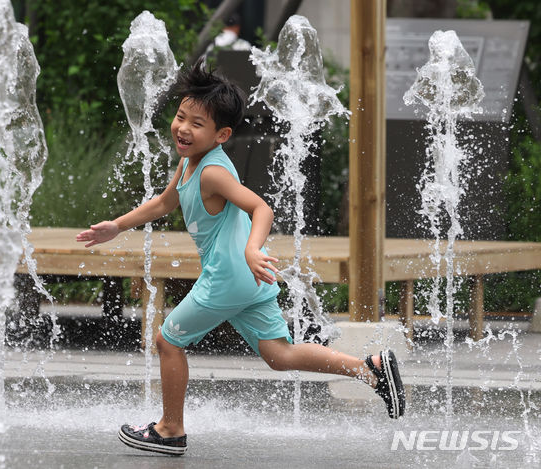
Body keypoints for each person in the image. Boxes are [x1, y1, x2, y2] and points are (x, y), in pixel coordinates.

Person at [76, 60, 405, 456]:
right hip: (248, 278)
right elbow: (165, 202)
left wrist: (251, 249)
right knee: (279, 355)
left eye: (197, 124)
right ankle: (370, 368)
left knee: (167, 341)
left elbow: (261, 207)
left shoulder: (213, 172)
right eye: (181, 117)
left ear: (221, 135)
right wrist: (116, 226)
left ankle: (170, 430)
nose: (183, 128)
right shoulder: (189, 163)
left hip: (231, 276)